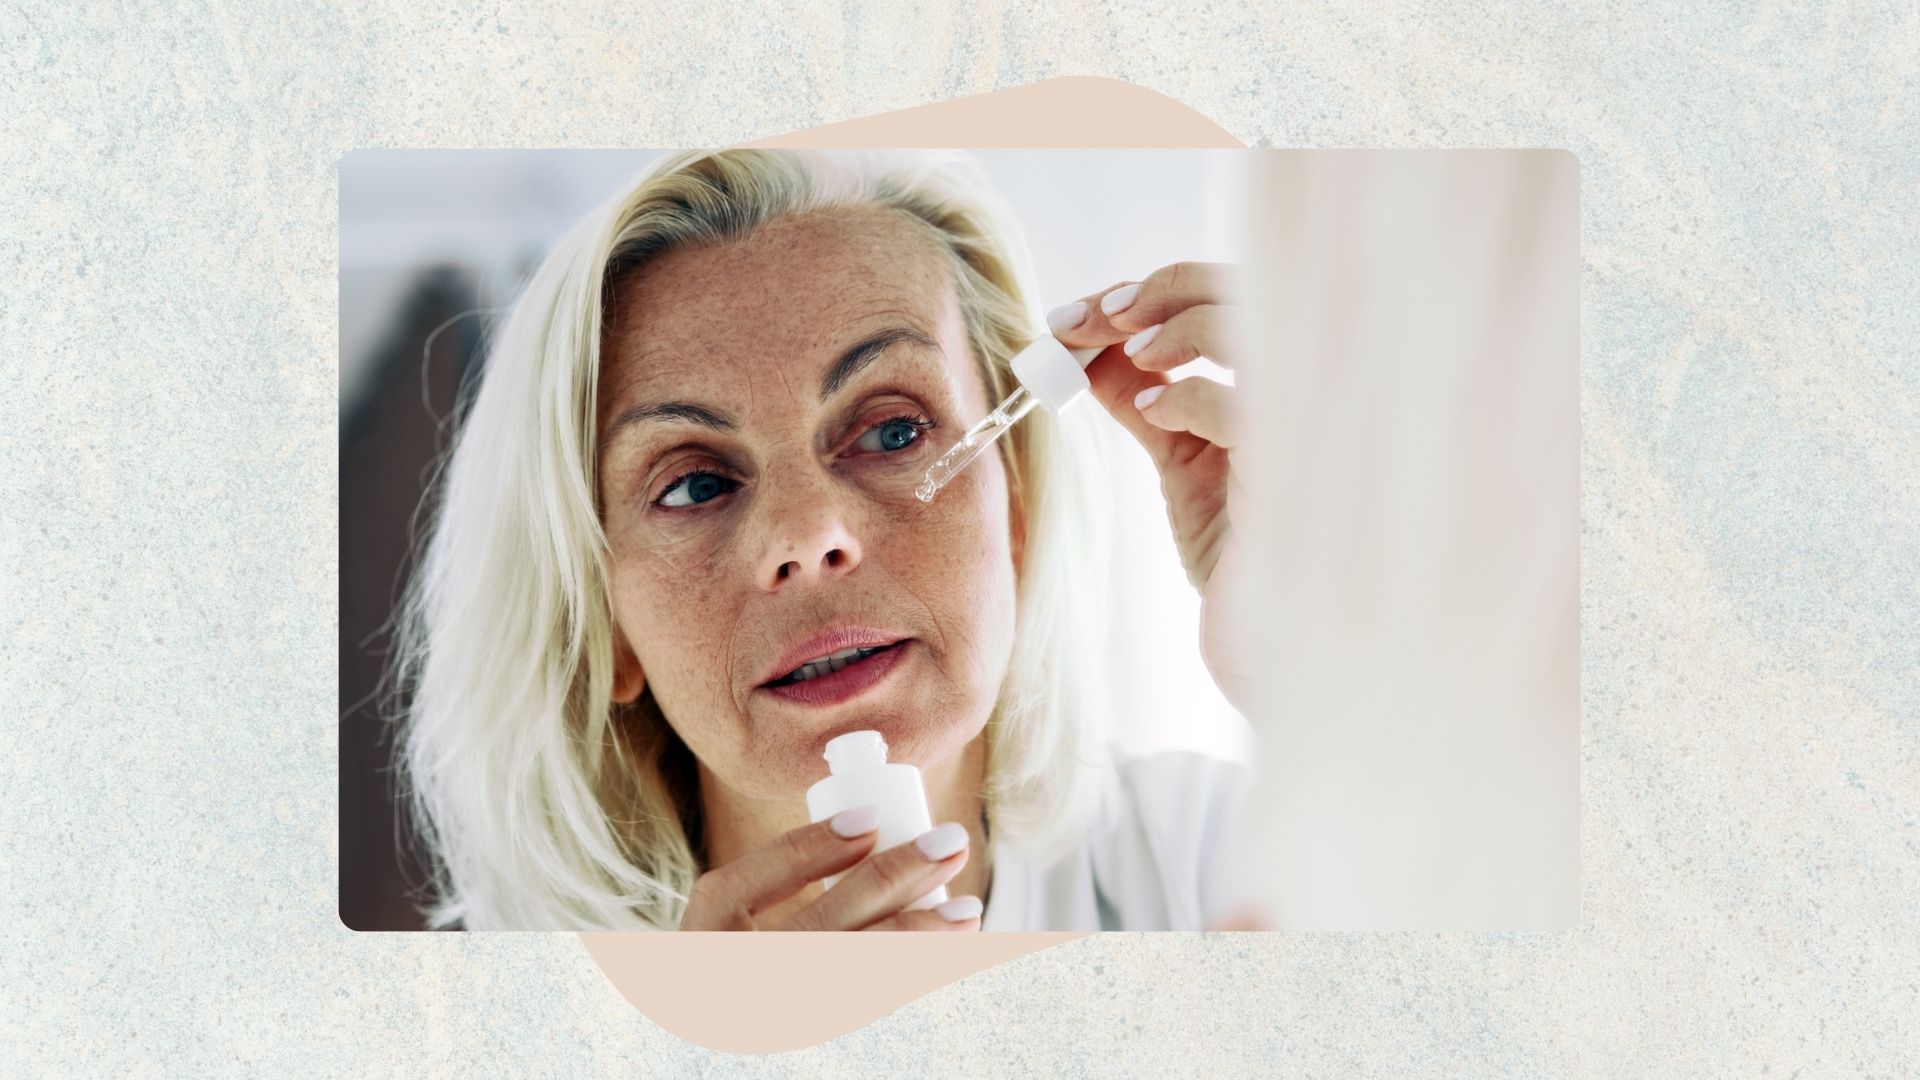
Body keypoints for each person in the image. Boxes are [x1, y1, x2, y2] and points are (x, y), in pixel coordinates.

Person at [394, 149, 1253, 931]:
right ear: (604, 622)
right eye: (695, 484)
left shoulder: (1222, 864)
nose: (810, 538)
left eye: (891, 432)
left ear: (1015, 503)